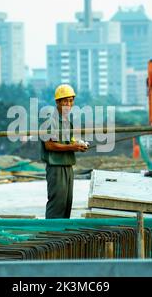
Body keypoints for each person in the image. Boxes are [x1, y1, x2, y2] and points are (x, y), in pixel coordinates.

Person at [41, 84, 88, 219]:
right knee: (57, 204)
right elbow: (49, 145)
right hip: (56, 167)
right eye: (65, 101)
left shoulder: (67, 121)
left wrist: (78, 145)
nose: (69, 104)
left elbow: (69, 141)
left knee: (67, 204)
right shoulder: (51, 120)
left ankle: (61, 237)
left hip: (68, 166)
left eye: (71, 100)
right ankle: (51, 235)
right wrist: (72, 148)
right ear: (58, 102)